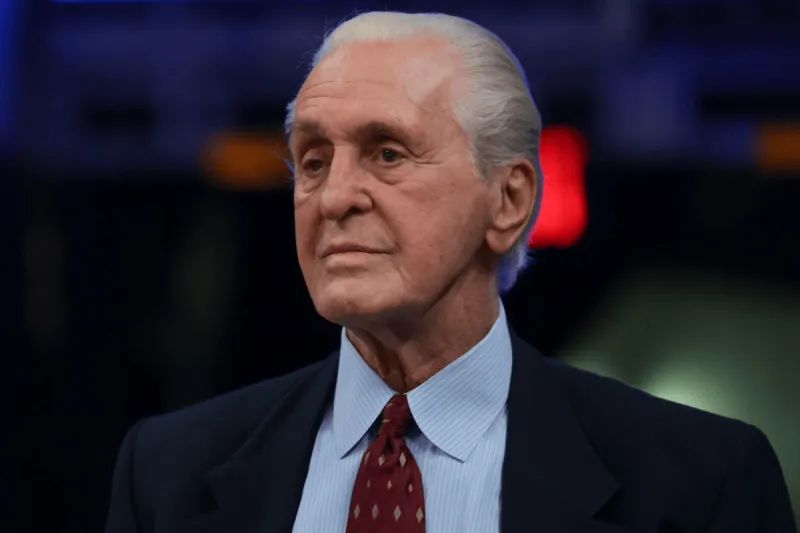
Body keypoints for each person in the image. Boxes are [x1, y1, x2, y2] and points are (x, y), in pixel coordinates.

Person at [105, 11, 796, 533]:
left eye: (387, 153)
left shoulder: (700, 484)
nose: (334, 196)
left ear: (509, 200)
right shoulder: (167, 475)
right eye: (313, 161)